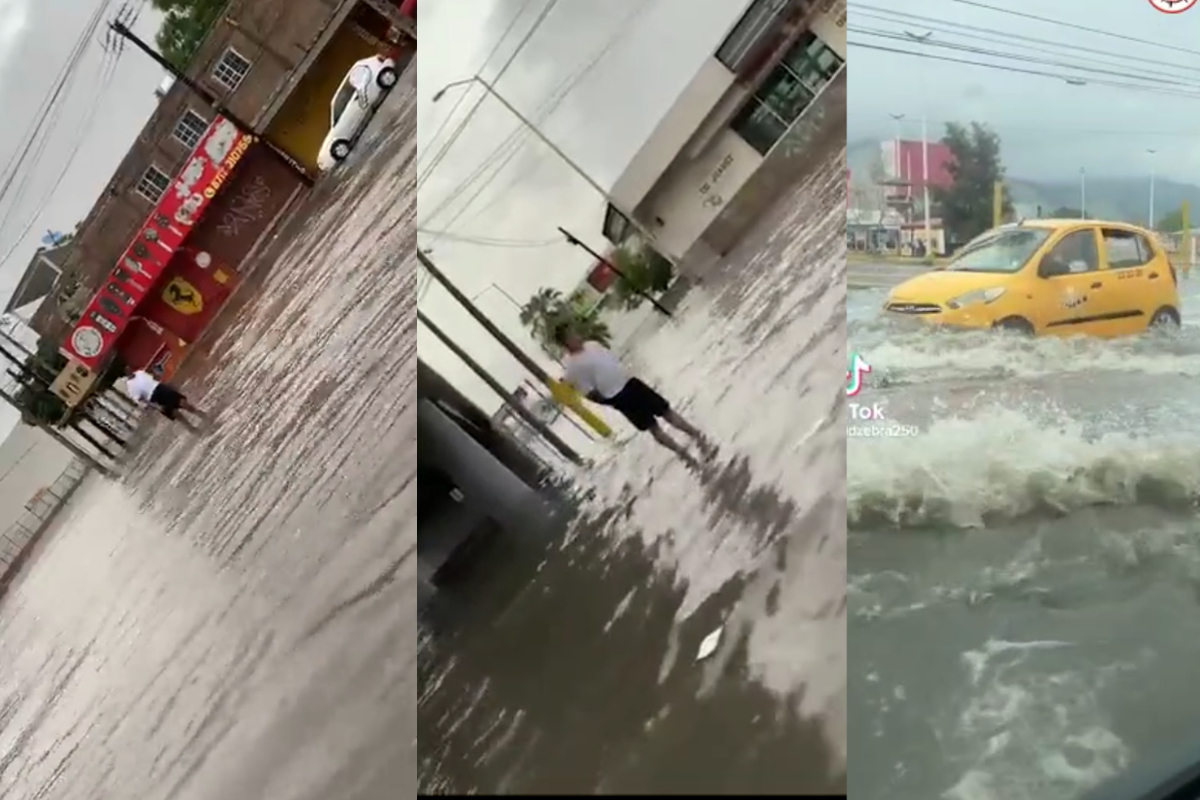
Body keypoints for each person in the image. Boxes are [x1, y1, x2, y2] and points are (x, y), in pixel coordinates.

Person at [554, 323, 715, 468]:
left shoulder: (592, 345)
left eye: (574, 331)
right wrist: (610, 401)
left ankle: (699, 439)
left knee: (666, 411)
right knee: (653, 427)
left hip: (631, 383)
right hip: (618, 397)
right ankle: (685, 456)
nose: (577, 335)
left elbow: (613, 361)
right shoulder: (572, 368)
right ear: (566, 342)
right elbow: (588, 393)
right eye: (572, 335)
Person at [124, 366, 209, 431]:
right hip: (153, 397)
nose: (130, 371)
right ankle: (193, 429)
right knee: (176, 414)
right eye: (127, 371)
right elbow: (141, 399)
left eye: (129, 369)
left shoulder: (140, 372)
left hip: (161, 388)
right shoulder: (131, 386)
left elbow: (154, 379)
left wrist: (168, 384)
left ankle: (203, 416)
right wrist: (155, 406)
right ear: (125, 373)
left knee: (183, 403)